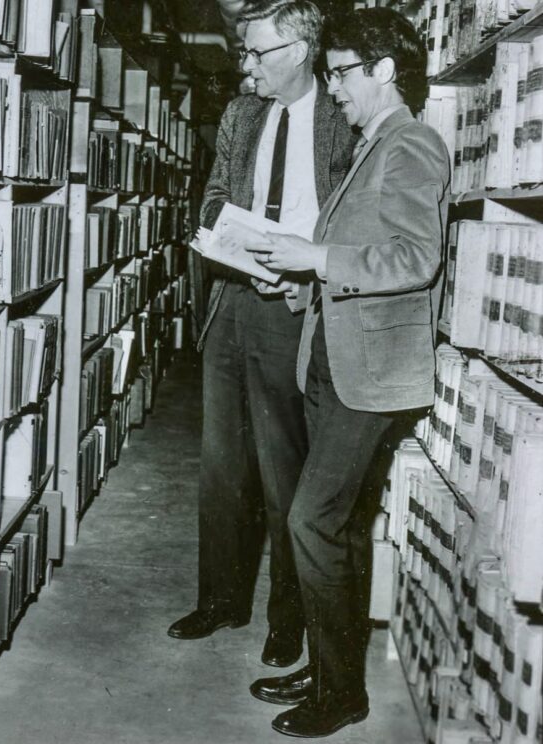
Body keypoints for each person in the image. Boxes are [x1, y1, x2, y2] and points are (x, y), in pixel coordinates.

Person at [245, 7, 450, 738]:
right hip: (335, 361)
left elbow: (414, 260)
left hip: (371, 375)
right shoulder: (373, 144)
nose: (332, 88)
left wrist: (319, 258)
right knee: (346, 527)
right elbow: (361, 255)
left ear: (385, 71)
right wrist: (303, 279)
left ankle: (342, 697)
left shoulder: (412, 145)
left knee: (312, 519)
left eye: (341, 73)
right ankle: (333, 671)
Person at [167, 0, 356, 673]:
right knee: (221, 466)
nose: (246, 67)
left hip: (295, 308)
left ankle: (288, 621)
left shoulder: (342, 119)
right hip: (233, 298)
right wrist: (234, 232)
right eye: (243, 52)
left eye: (258, 53)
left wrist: (302, 268)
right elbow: (214, 192)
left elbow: (350, 220)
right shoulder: (244, 115)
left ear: (301, 50)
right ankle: (220, 599)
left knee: (284, 473)